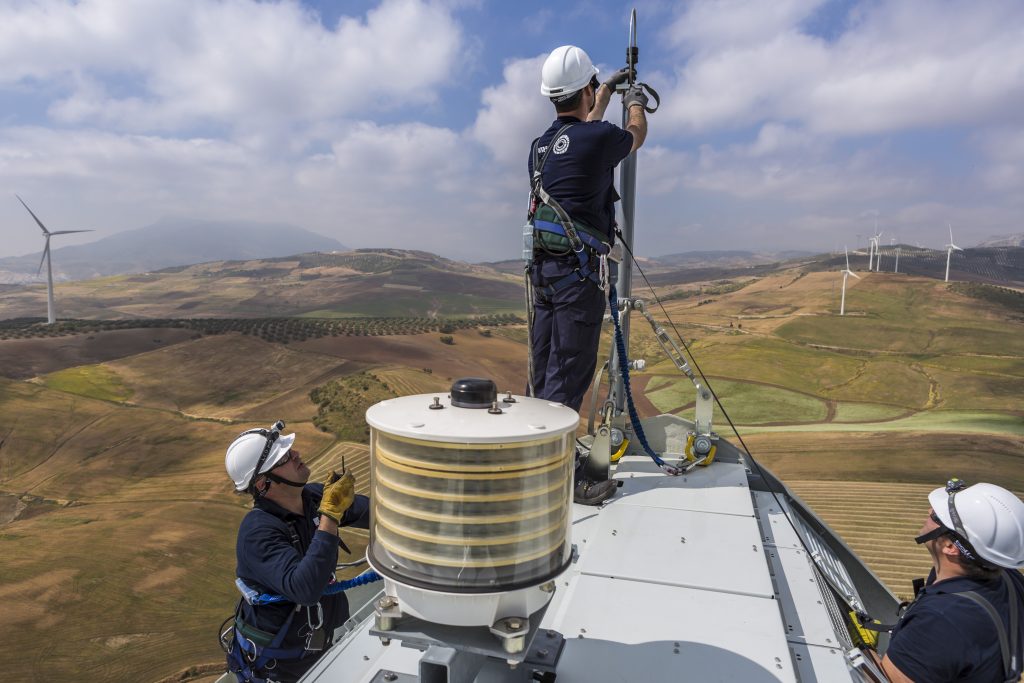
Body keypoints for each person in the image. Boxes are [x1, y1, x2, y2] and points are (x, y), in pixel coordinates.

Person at [527, 45, 649, 505]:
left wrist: (604, 90)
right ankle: (553, 476)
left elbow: (584, 126)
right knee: (568, 373)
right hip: (577, 278)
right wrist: (633, 99)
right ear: (587, 88)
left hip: (544, 274)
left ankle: (537, 453)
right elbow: (633, 135)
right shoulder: (598, 140)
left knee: (543, 373)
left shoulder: (541, 147)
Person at [223, 421, 370, 683]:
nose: (296, 454)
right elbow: (305, 589)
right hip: (281, 668)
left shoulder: (311, 498)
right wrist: (329, 516)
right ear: (262, 484)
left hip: (316, 648)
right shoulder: (258, 533)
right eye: (285, 457)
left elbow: (374, 513)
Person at [878, 479, 1024, 683]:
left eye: (937, 516)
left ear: (949, 546)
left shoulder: (939, 621)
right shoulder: (1009, 579)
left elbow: (886, 679)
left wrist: (861, 645)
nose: (928, 511)